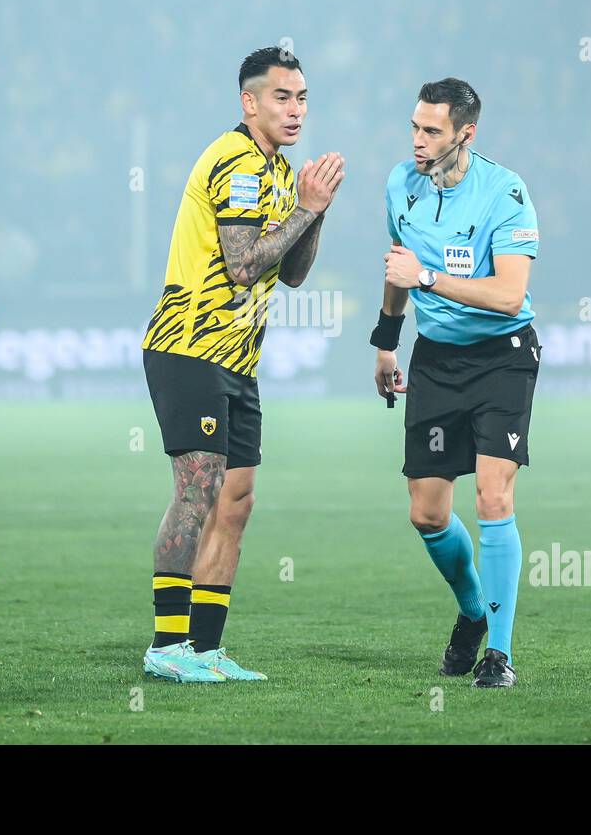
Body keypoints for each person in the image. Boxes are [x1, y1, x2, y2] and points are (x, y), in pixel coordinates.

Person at [140, 47, 344, 682]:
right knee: (197, 487)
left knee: (237, 499)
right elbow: (242, 265)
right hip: (189, 347)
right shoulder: (234, 160)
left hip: (238, 359)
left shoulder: (278, 171)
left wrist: (315, 210)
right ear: (249, 102)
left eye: (303, 97)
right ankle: (165, 647)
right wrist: (306, 210)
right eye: (282, 97)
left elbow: (293, 276)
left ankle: (205, 649)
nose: (296, 109)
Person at [372, 78, 540, 689]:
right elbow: (397, 264)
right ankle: (473, 611)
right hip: (436, 361)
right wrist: (387, 344)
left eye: (432, 131)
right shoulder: (400, 183)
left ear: (466, 134)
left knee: (493, 497)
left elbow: (509, 294)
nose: (418, 141)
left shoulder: (506, 192)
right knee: (426, 513)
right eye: (415, 127)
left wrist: (429, 278)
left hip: (503, 358)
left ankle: (499, 653)